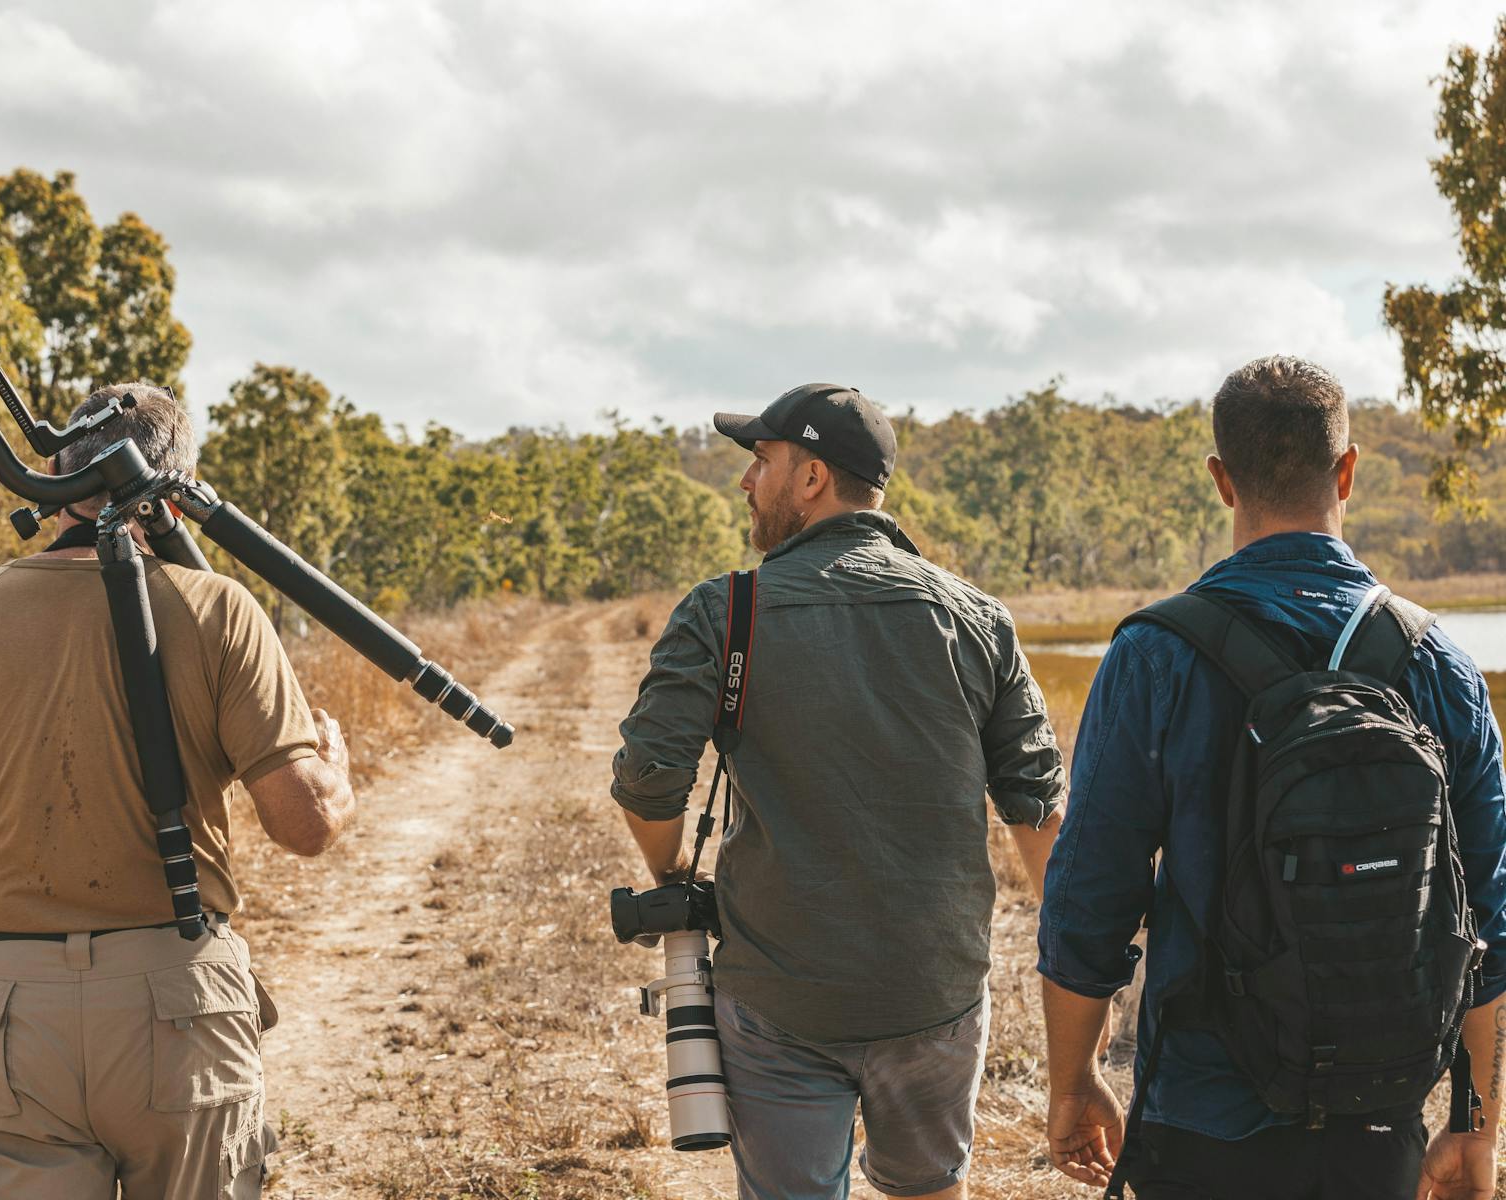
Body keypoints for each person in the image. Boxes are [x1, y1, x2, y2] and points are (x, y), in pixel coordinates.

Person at [0, 383, 356, 1199]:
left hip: (9, 1015)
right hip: (175, 1000)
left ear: (56, 473)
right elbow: (302, 824)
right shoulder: (218, 610)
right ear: (172, 487)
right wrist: (335, 773)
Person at [1037, 355, 1506, 1200]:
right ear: (1349, 471)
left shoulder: (1155, 655)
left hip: (1203, 1116)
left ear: (1221, 479)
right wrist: (1475, 1128)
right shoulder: (1439, 661)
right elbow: (1490, 920)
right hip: (1379, 1117)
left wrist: (1073, 1085)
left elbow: (1089, 899)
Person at [612, 383, 1067, 1200]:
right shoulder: (979, 619)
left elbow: (649, 780)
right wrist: (1077, 986)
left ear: (812, 476)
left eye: (761, 461)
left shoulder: (726, 611)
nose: (747, 482)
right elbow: (1040, 813)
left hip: (778, 1002)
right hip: (937, 996)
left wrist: (675, 869)